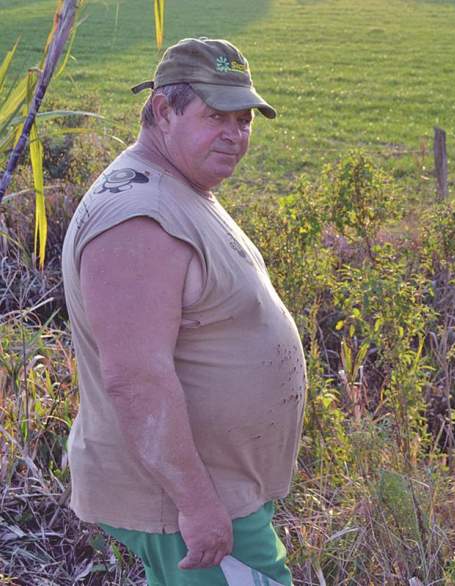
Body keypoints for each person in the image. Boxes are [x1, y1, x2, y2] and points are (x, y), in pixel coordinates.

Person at [60, 37, 305, 585]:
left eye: (244, 119)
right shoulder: (136, 221)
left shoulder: (176, 185)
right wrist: (197, 506)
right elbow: (136, 380)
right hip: (184, 499)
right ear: (163, 109)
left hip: (212, 486)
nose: (235, 134)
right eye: (216, 115)